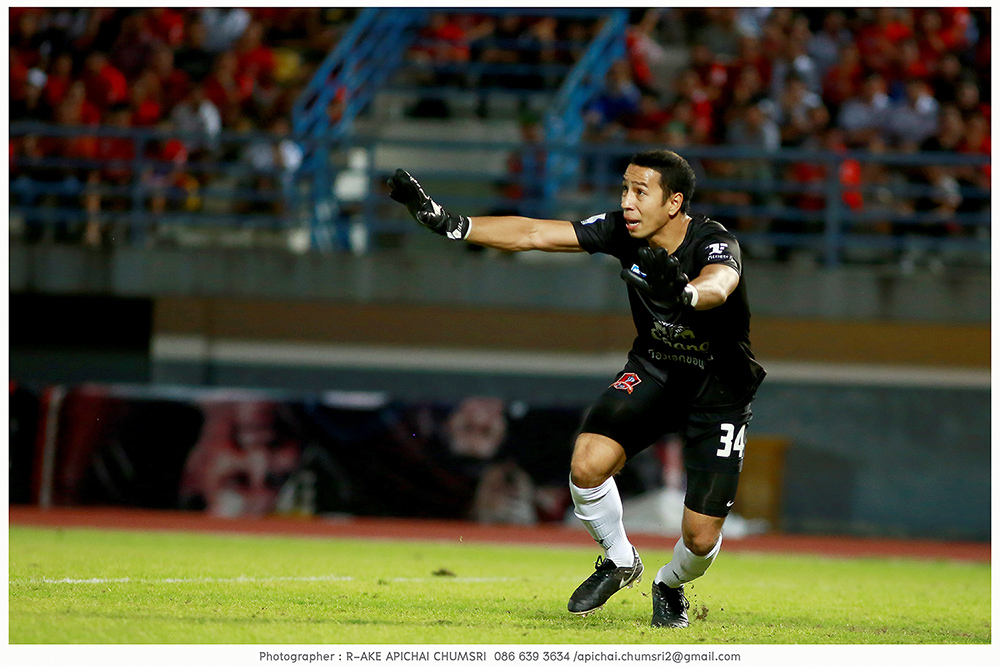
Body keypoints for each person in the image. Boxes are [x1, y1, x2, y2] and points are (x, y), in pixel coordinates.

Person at [387, 149, 766, 629]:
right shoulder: (622, 230)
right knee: (586, 464)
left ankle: (669, 584)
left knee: (699, 538)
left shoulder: (714, 241)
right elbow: (533, 233)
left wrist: (686, 292)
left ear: (674, 203)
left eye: (640, 191)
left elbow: (720, 283)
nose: (627, 201)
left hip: (719, 391)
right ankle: (621, 559)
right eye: (625, 188)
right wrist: (451, 224)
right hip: (657, 372)